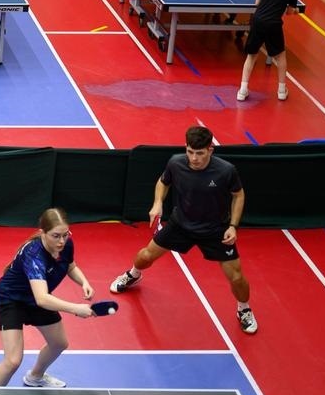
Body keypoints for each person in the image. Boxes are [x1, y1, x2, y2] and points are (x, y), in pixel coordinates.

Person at [109, 124, 256, 334]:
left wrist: (233, 226)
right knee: (145, 256)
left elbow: (238, 195)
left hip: (216, 229)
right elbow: (163, 182)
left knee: (237, 278)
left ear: (210, 150)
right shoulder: (176, 163)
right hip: (181, 224)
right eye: (190, 151)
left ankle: (244, 309)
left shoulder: (226, 170)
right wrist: (157, 203)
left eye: (200, 153)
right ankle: (134, 274)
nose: (194, 158)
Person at [0, 208, 96, 392]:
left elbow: (70, 267)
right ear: (42, 232)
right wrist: (76, 309)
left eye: (65, 235)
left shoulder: (66, 244)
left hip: (37, 297)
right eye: (56, 236)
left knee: (59, 343)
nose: (61, 241)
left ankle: (35, 376)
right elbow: (42, 299)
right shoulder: (34, 254)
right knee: (12, 361)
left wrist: (84, 281)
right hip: (12, 300)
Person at [238, 0, 302, 103]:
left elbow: (257, 2)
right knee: (280, 57)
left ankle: (242, 90)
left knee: (251, 56)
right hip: (274, 24)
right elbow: (289, 12)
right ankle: (281, 91)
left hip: (258, 21)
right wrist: (296, 10)